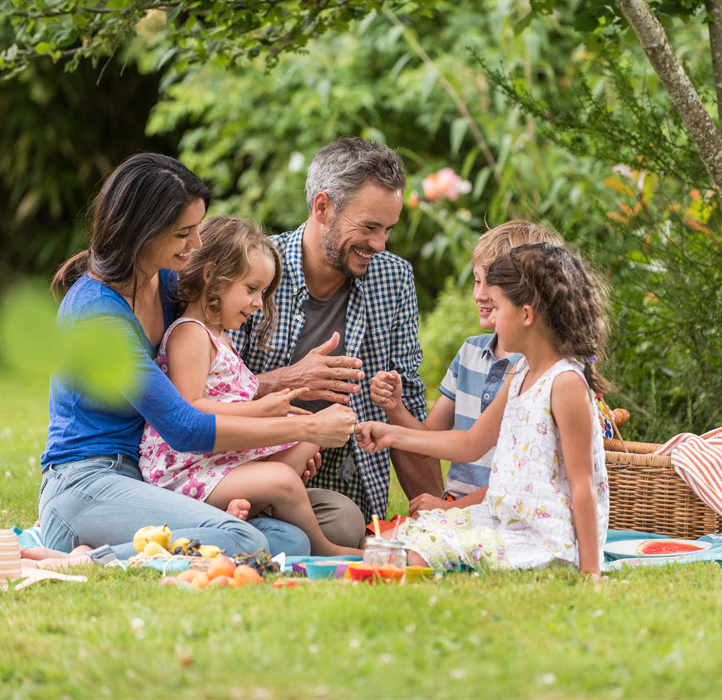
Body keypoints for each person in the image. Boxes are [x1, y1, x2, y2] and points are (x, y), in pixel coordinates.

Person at [36, 153, 357, 565]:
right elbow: (183, 427)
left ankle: (185, 533)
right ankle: (84, 559)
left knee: (291, 542)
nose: (197, 245)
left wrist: (287, 382)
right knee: (243, 540)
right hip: (86, 483)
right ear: (141, 232)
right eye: (184, 233)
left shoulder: (166, 286)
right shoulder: (98, 313)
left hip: (144, 478)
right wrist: (310, 426)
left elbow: (213, 384)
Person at [229, 136, 442, 543]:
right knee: (336, 529)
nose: (379, 245)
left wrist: (440, 520)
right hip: (246, 462)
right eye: (369, 227)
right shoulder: (252, 268)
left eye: (388, 230)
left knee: (345, 522)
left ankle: (257, 530)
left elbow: (407, 407)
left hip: (343, 472)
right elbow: (205, 396)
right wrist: (288, 379)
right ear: (322, 207)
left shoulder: (393, 279)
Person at [356, 241, 610, 578]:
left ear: (526, 315)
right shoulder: (521, 373)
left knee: (409, 557)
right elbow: (470, 443)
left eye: (498, 308)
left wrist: (590, 570)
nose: (492, 317)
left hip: (543, 540)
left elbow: (583, 485)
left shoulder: (564, 383)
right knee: (382, 542)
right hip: (501, 518)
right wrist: (392, 434)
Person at [138, 216, 363, 557]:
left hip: (217, 461)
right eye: (251, 289)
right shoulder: (190, 334)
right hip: (186, 471)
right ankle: (324, 548)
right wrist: (259, 410)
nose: (259, 303)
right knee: (285, 479)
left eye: (263, 292)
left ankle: (240, 513)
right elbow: (189, 409)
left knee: (308, 438)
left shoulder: (220, 337)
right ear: (212, 276)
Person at [368, 221, 566, 517]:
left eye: (492, 285)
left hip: (506, 510)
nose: (480, 295)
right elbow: (429, 443)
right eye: (477, 281)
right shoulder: (470, 353)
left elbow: (521, 480)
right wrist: (395, 408)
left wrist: (452, 511)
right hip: (457, 506)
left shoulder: (537, 371)